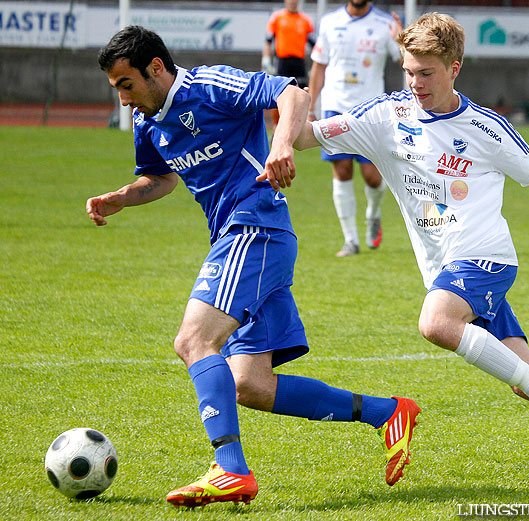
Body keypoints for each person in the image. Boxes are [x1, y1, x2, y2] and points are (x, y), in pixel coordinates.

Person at [262, 13, 529, 476]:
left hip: (486, 258)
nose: (415, 82)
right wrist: (288, 107)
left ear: (454, 68)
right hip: (445, 269)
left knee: (437, 322)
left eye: (427, 73)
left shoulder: (487, 128)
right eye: (408, 71)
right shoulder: (385, 116)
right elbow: (303, 137)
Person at [87, 25, 420, 508]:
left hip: (256, 227)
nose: (123, 100)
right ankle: (389, 414)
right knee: (251, 385)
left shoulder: (208, 86)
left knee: (193, 340)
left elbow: (293, 93)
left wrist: (282, 144)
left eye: (126, 85)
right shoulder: (148, 120)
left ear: (156, 67)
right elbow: (159, 178)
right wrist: (122, 197)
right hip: (241, 238)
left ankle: (229, 470)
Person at [308, 0, 403, 256]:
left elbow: (406, 60)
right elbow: (319, 66)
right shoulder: (329, 22)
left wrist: (401, 39)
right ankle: (351, 240)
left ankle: (373, 213)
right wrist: (311, 106)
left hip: (371, 110)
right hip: (334, 105)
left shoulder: (385, 24)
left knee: (373, 176)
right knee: (342, 170)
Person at [262, 0, 315, 131]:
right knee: (279, 93)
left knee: (302, 93)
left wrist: (314, 65)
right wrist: (266, 59)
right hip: (282, 62)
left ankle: (299, 128)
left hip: (299, 62)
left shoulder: (306, 20)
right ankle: (276, 127)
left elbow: (314, 45)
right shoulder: (277, 17)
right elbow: (268, 41)